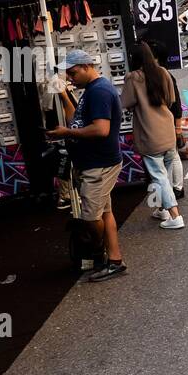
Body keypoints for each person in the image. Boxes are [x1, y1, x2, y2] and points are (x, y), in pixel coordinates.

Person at [46, 49, 126, 281]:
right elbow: (77, 120)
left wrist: (66, 132)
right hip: (95, 163)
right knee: (105, 212)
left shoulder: (99, 91)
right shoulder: (91, 90)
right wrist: (64, 96)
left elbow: (101, 129)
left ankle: (98, 253)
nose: (70, 77)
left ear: (86, 66)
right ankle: (114, 259)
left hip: (98, 165)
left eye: (72, 72)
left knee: (91, 217)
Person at [121, 41, 184, 230]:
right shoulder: (163, 73)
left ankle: (175, 215)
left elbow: (126, 103)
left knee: (159, 176)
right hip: (167, 130)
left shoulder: (133, 78)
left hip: (149, 134)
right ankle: (162, 209)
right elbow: (171, 99)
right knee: (164, 173)